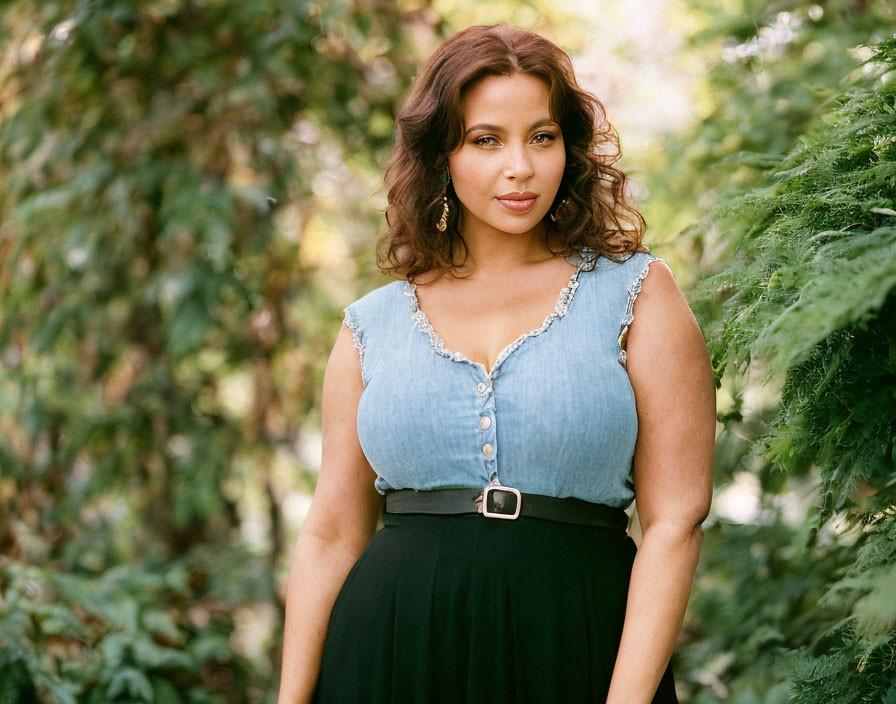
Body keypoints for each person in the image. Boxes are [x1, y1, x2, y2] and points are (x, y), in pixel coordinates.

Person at [277, 22, 715, 704]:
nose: (521, 167)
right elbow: (332, 533)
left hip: (577, 640)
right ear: (441, 155)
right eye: (487, 140)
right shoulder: (372, 324)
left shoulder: (637, 293)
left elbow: (676, 519)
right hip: (392, 648)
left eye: (542, 137)